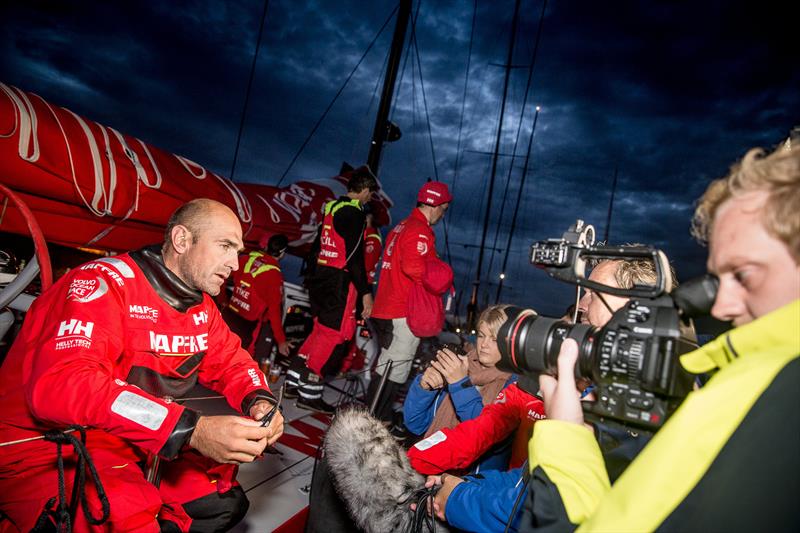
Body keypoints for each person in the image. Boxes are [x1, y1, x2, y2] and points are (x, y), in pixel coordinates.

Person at [523, 144, 799, 531]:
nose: (721, 307)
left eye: (745, 275)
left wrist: (565, 439)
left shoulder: (774, 393)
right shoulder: (730, 383)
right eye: (720, 279)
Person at [0, 199, 284, 532]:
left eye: (237, 251)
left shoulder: (202, 309)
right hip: (40, 448)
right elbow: (65, 383)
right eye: (225, 246)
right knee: (130, 517)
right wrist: (191, 430)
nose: (234, 264)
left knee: (222, 503)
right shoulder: (102, 283)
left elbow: (232, 361)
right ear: (181, 240)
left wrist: (258, 399)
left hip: (126, 439)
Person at [416, 257, 665, 532]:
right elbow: (521, 474)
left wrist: (456, 498)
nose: (584, 303)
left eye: (595, 293)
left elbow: (540, 508)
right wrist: (427, 470)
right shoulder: (533, 385)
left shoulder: (630, 409)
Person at [285, 167, 379, 414]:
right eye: (371, 195)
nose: (370, 200)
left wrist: (311, 276)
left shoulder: (332, 207)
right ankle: (309, 393)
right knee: (332, 335)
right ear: (366, 191)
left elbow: (317, 246)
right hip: (338, 280)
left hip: (320, 276)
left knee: (319, 330)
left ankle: (293, 382)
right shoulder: (355, 213)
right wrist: (366, 292)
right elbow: (354, 257)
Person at [367, 180, 453, 423]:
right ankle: (376, 419)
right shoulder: (420, 229)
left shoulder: (401, 226)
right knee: (395, 369)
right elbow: (414, 266)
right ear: (436, 205)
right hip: (402, 309)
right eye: (443, 209)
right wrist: (440, 275)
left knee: (387, 365)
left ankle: (376, 414)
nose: (442, 215)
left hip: (386, 306)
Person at [403, 305, 516, 471]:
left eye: (494, 339)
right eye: (481, 335)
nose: (484, 344)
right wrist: (424, 389)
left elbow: (485, 434)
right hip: (428, 465)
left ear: (510, 344)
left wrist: (460, 385)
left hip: (468, 484)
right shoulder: (459, 365)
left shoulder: (514, 387)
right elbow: (415, 424)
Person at [222, 233, 290, 361]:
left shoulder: (245, 259)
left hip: (229, 315)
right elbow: (274, 312)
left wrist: (223, 300)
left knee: (217, 352)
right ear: (282, 253)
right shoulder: (274, 276)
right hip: (248, 325)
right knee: (242, 360)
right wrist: (281, 341)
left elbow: (221, 275)